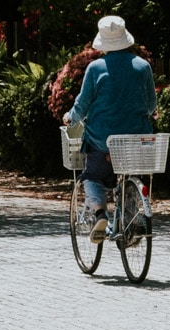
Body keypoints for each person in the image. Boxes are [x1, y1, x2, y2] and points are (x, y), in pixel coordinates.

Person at [65, 15, 157, 241]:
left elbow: (83, 104)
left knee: (93, 177)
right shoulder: (143, 66)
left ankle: (99, 214)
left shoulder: (95, 68)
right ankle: (132, 220)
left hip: (102, 140)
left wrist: (71, 117)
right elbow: (151, 105)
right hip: (136, 138)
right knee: (133, 174)